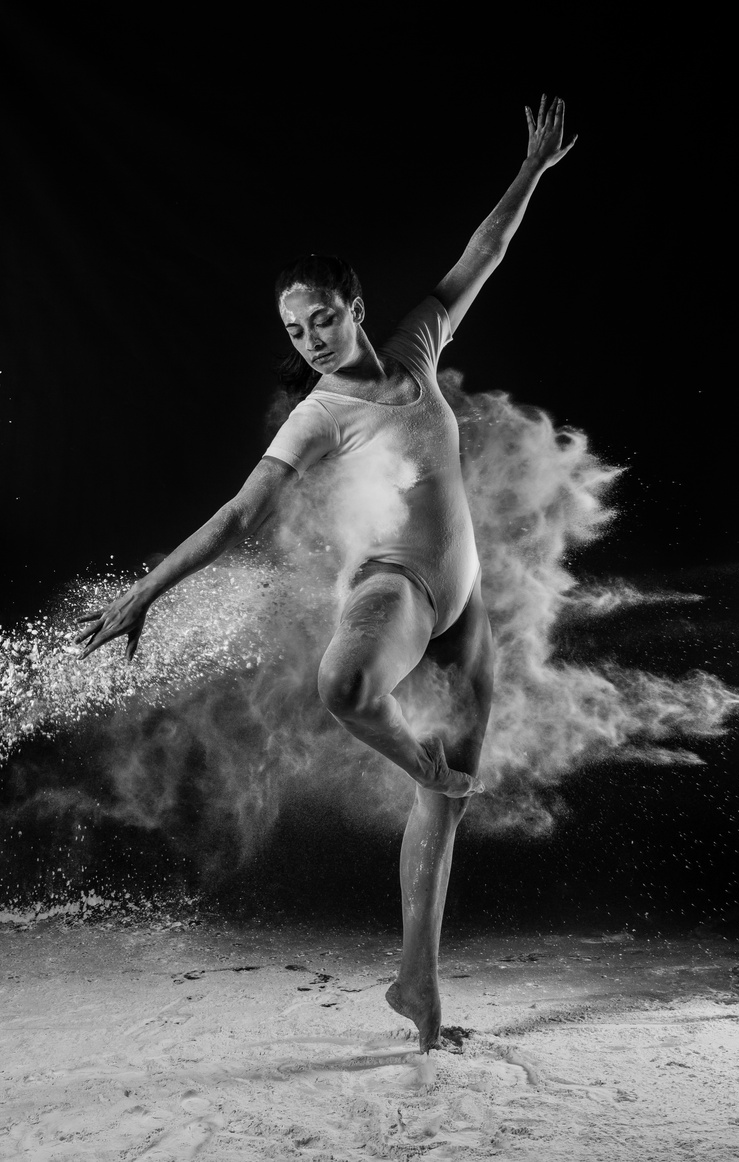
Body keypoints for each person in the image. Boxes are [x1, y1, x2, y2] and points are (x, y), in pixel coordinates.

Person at [78, 95, 577, 1052]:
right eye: (293, 328)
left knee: (445, 811)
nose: (307, 338)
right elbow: (236, 515)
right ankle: (416, 757)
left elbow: (484, 257)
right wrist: (145, 590)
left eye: (318, 319)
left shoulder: (418, 350)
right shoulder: (316, 418)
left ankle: (416, 988)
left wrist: (530, 172)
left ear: (352, 306)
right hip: (396, 585)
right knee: (346, 686)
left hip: (462, 605)